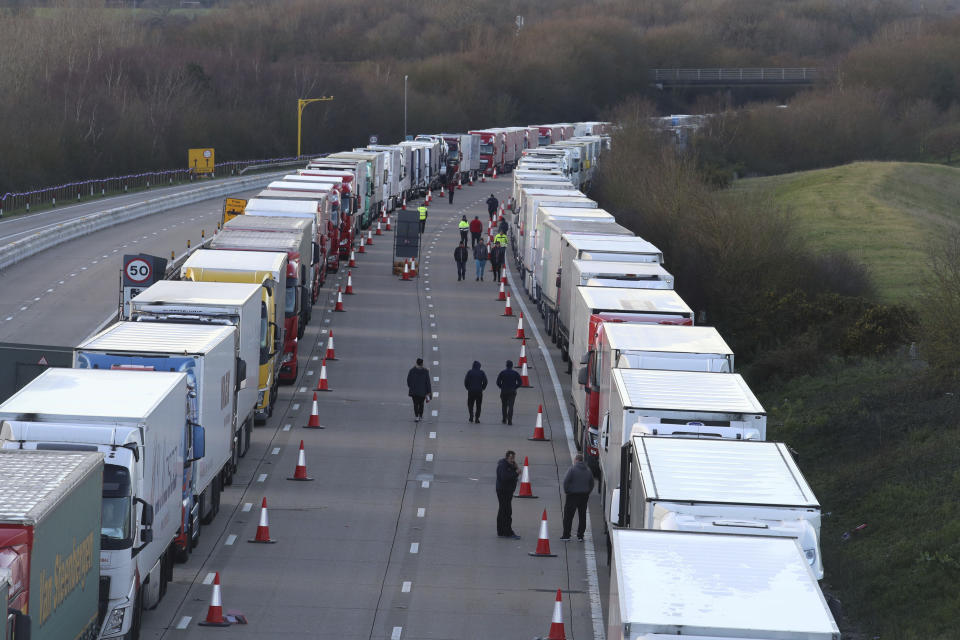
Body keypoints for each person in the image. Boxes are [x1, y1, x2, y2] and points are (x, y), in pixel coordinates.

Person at [560, 454, 595, 541]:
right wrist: (587, 492)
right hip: (584, 496)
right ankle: (580, 535)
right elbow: (592, 484)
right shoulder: (588, 470)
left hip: (572, 495)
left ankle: (566, 535)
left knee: (568, 516)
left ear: (576, 460)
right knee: (582, 516)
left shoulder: (572, 469)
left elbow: (566, 481)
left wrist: (567, 491)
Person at [496, 450, 521, 538]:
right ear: (507, 458)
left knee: (502, 510)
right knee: (507, 511)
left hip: (506, 491)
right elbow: (505, 477)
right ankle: (507, 532)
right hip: (503, 491)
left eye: (513, 458)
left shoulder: (510, 465)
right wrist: (516, 473)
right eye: (511, 458)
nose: (513, 460)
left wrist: (515, 468)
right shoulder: (503, 466)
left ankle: (501, 531)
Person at [496, 359, 523, 425]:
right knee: (511, 406)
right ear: (512, 366)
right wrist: (515, 387)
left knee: (504, 405)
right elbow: (520, 382)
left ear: (506, 365)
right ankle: (510, 420)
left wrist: (501, 387)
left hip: (504, 391)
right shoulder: (515, 373)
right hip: (512, 391)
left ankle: (504, 418)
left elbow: (498, 382)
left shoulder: (502, 372)